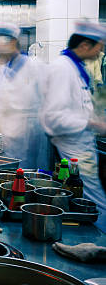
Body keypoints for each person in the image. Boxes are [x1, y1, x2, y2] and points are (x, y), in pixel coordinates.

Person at [40, 21, 106, 233]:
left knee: (90, 203)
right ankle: (96, 251)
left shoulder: (75, 68)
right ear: (85, 45)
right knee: (94, 205)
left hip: (82, 147)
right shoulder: (62, 69)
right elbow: (54, 118)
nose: (100, 53)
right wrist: (91, 123)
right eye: (99, 47)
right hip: (74, 150)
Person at [0, 22, 49, 169]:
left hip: (28, 137)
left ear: (13, 42)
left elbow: (49, 100)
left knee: (25, 176)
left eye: (1, 45)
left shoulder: (35, 67)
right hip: (4, 138)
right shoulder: (1, 71)